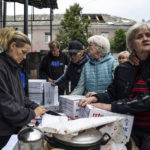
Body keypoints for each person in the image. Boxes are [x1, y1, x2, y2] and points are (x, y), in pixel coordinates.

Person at [78, 22, 150, 150]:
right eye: (139, 37)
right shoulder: (123, 68)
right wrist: (96, 98)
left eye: (148, 35)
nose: (145, 39)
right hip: (128, 130)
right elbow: (113, 93)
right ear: (131, 45)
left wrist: (111, 106)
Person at [0, 28, 46, 149]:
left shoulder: (14, 67)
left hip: (11, 129)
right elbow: (6, 105)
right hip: (3, 132)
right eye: (23, 52)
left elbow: (20, 96)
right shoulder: (2, 68)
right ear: (13, 46)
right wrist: (31, 113)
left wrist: (34, 106)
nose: (25, 57)